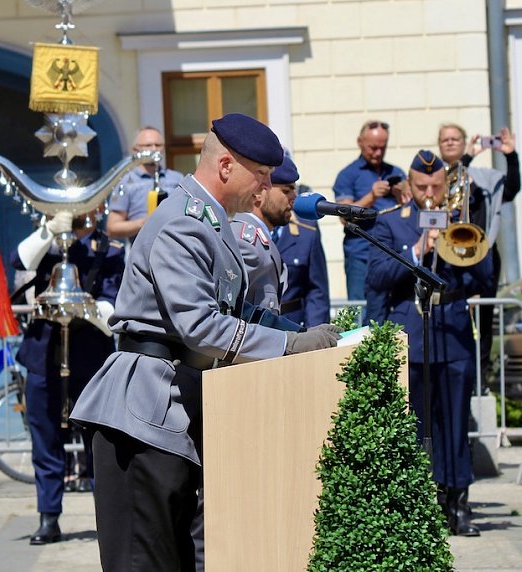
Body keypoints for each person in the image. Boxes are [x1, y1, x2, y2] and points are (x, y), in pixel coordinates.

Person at [70, 113, 341, 570]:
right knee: (145, 562)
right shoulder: (184, 222)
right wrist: (289, 348)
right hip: (142, 412)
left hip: (169, 407)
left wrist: (298, 334)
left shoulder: (212, 222)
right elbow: (200, 325)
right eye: (261, 176)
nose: (265, 189)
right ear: (226, 167)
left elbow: (234, 311)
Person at [366, 150, 494, 537]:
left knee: (454, 421)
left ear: (446, 185)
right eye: (421, 187)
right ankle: (419, 499)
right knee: (414, 424)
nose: (429, 193)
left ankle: (458, 501)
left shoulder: (461, 219)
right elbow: (377, 276)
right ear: (409, 185)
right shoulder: (393, 223)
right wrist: (419, 249)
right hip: (412, 329)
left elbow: (486, 278)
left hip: (452, 329)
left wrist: (464, 238)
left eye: (436, 186)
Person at [12, 209, 123, 545]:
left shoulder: (110, 249)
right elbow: (18, 262)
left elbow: (114, 302)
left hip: (90, 354)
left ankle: (107, 518)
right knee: (45, 440)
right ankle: (49, 517)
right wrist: (49, 231)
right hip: (44, 352)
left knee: (98, 443)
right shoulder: (47, 244)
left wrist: (85, 309)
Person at [437, 123, 520, 393]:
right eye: (445, 140)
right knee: (453, 316)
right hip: (449, 254)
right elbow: (450, 179)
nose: (450, 143)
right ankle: (456, 375)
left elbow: (511, 190)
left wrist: (510, 155)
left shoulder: (485, 176)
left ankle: (480, 380)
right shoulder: (435, 174)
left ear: (464, 141)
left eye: (455, 139)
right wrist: (469, 157)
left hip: (483, 253)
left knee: (483, 320)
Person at [333, 120, 407, 304]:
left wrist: (402, 195)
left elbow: (409, 211)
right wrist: (371, 197)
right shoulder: (348, 174)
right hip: (361, 254)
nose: (378, 153)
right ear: (360, 142)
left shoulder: (396, 171)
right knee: (360, 309)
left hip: (393, 253)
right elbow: (344, 216)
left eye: (383, 147)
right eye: (373, 148)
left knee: (394, 307)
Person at [231, 154, 299, 312]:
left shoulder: (260, 237)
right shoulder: (244, 241)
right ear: (259, 192)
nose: (294, 198)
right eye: (286, 190)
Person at [106, 126, 185, 239]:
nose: (154, 149)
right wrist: (144, 222)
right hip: (142, 251)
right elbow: (112, 228)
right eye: (148, 145)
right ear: (135, 149)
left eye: (158, 145)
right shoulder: (125, 182)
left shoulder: (177, 178)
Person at [274, 201, 331, 328]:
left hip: (292, 324)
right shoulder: (239, 228)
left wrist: (314, 332)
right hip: (252, 329)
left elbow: (317, 289)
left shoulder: (306, 231)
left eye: (293, 190)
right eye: (285, 191)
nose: (293, 197)